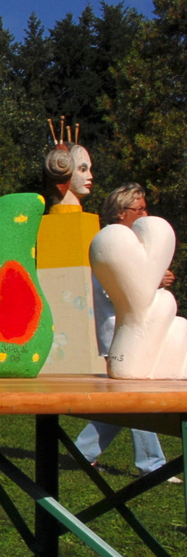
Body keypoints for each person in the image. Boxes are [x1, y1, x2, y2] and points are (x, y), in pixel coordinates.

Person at [73, 183, 181, 483]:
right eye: (140, 209)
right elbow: (115, 292)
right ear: (122, 212)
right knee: (138, 399)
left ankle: (81, 452)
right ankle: (153, 465)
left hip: (131, 333)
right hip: (121, 334)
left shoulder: (131, 245)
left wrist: (155, 279)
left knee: (122, 406)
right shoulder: (110, 244)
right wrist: (155, 281)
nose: (145, 214)